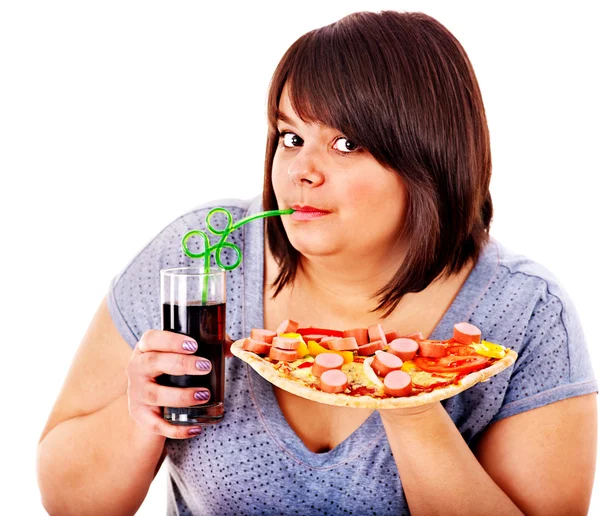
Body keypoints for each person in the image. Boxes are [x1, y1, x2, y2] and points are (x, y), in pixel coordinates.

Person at [37, 10, 597, 515]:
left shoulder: (525, 312)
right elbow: (68, 503)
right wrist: (140, 418)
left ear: (429, 155)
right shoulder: (204, 255)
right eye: (290, 136)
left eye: (346, 142)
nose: (301, 171)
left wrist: (412, 408)